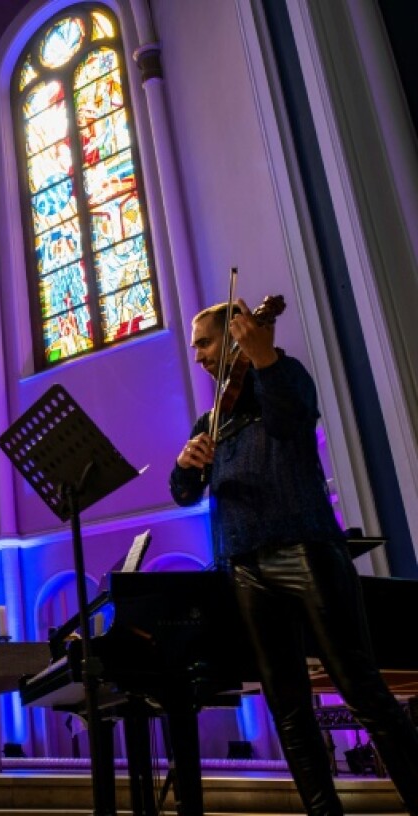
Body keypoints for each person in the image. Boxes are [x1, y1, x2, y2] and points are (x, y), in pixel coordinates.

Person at [169, 299, 418, 814]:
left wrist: (264, 360)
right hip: (244, 565)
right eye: (193, 346)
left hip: (305, 549)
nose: (197, 356)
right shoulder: (210, 417)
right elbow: (185, 493)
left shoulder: (283, 376)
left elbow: (289, 422)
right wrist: (185, 464)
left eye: (204, 343)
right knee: (286, 707)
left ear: (236, 337)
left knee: (363, 691)